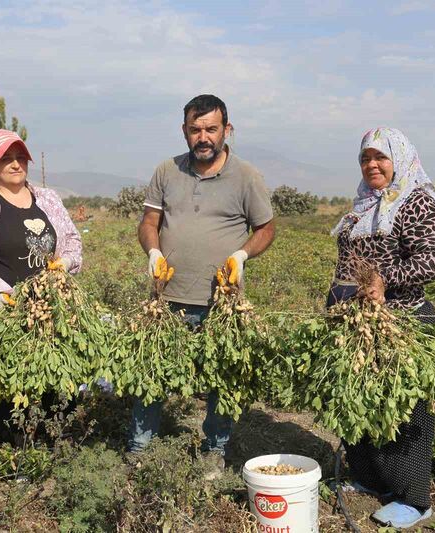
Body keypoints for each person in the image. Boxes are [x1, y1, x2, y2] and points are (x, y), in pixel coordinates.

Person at [134, 94, 276, 476]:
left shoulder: (246, 176)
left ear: (226, 130)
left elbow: (265, 228)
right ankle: (140, 449)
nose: (203, 137)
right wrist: (153, 252)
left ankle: (215, 450)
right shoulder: (167, 171)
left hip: (222, 303)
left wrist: (242, 255)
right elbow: (149, 221)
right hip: (166, 299)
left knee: (221, 379)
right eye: (195, 129)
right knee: (151, 372)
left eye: (211, 129)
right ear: (184, 131)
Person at [327, 127, 435, 529]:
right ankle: (371, 479)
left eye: (380, 157)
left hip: (403, 320)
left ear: (399, 159)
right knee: (361, 400)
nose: (372, 165)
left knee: (405, 408)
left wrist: (387, 278)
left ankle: (414, 499)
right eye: (365, 158)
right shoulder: (364, 204)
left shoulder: (416, 201)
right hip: (361, 323)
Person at [0, 129, 82, 439]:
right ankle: (19, 454)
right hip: (5, 313)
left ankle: (57, 445)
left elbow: (73, 241)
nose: (15, 164)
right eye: (5, 159)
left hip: (52, 306)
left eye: (19, 157)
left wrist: (64, 264)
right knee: (11, 385)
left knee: (58, 376)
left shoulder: (48, 198)